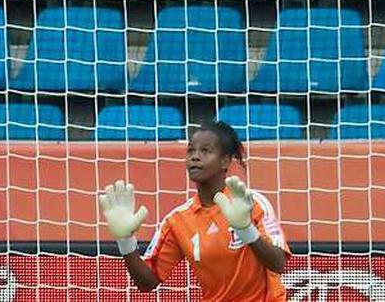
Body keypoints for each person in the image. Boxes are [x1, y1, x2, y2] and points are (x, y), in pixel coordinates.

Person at [98, 121, 290, 301]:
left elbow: (279, 264)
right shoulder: (177, 220)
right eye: (191, 150)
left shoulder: (251, 203)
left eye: (205, 151)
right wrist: (125, 242)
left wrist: (246, 229)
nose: (195, 156)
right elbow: (147, 282)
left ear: (225, 161)